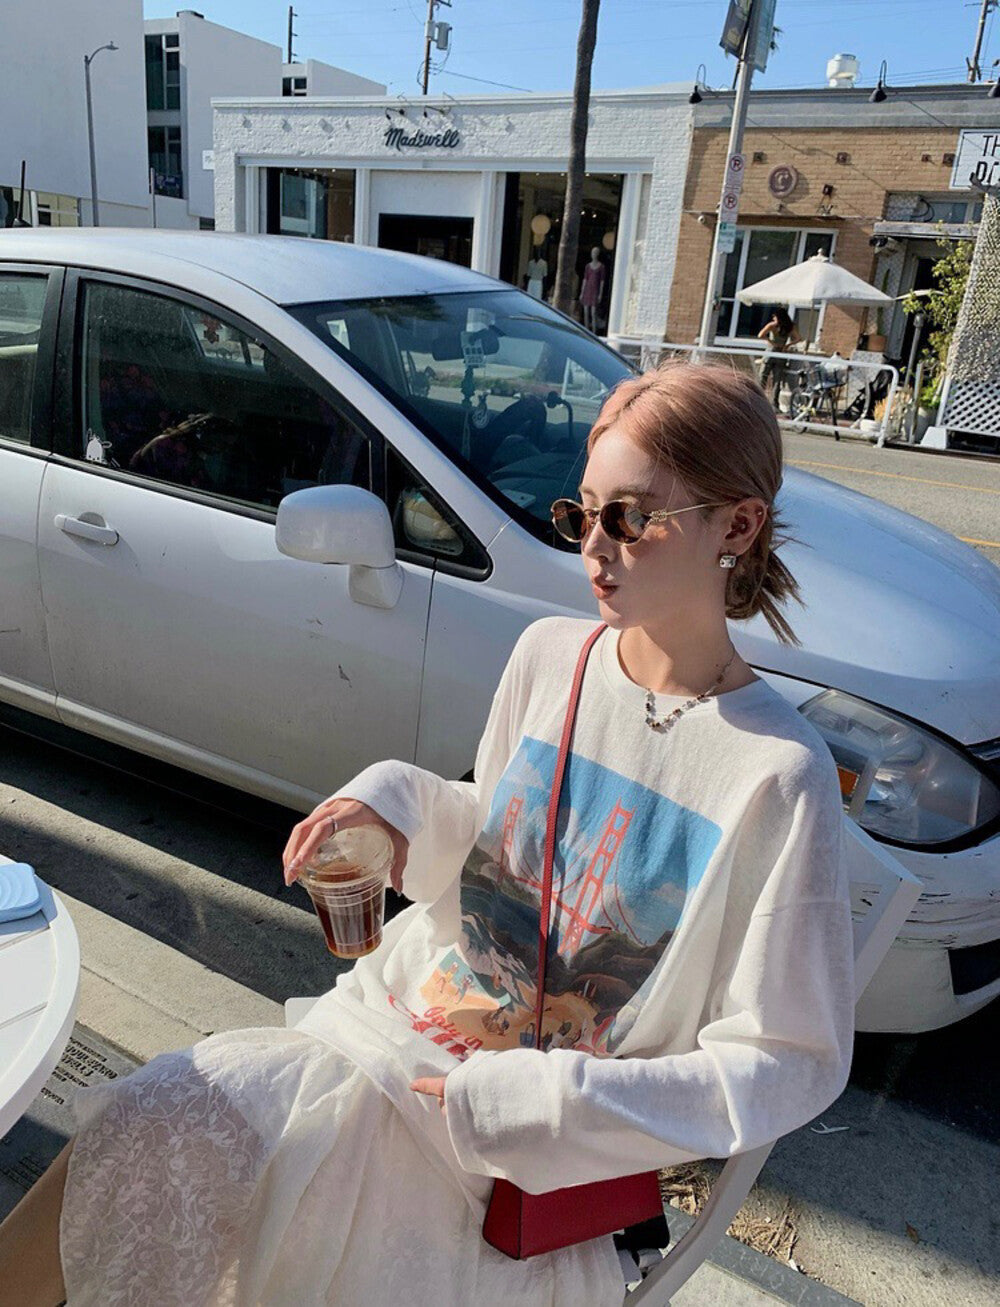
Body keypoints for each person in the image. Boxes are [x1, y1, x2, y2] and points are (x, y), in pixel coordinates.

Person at [0, 362, 855, 1307]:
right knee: (157, 1116)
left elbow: (788, 1059)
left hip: (527, 1164)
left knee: (250, 1183)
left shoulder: (776, 772)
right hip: (391, 1034)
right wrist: (393, 806)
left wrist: (550, 1099)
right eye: (583, 513)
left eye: (631, 517)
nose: (594, 547)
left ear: (737, 525)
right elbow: (497, 832)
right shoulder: (551, 658)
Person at [757, 307, 801, 409]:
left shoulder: (772, 325)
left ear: (778, 316)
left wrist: (771, 342)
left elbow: (760, 335)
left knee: (763, 375)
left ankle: (759, 399)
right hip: (781, 353)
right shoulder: (789, 326)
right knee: (777, 380)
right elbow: (798, 338)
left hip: (771, 352)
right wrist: (787, 345)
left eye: (775, 316)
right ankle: (774, 403)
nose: (773, 318)